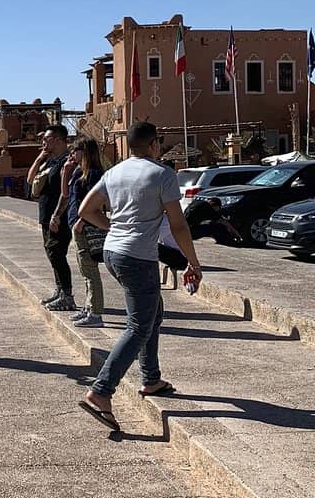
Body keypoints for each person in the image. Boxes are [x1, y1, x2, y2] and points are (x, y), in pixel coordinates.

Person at [77, 122, 202, 430]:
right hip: (137, 258)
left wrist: (116, 230)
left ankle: (151, 378)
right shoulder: (162, 174)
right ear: (154, 145)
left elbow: (85, 210)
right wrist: (193, 262)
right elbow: (179, 225)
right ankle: (101, 391)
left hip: (112, 252)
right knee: (138, 326)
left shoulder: (115, 172)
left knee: (153, 314)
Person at [27, 126, 75, 311]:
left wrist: (57, 215)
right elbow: (31, 180)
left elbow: (66, 193)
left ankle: (67, 295)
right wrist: (40, 158)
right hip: (46, 215)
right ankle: (60, 290)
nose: (43, 143)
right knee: (51, 254)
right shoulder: (49, 161)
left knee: (57, 253)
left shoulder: (68, 162)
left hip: (59, 216)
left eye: (46, 139)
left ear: (58, 139)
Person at [60, 139, 106, 327]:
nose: (72, 154)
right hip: (77, 226)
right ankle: (88, 308)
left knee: (90, 270)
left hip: (86, 227)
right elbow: (66, 195)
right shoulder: (79, 172)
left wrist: (82, 220)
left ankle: (95, 313)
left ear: (85, 152)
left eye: (75, 150)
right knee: (84, 269)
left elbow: (96, 202)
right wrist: (65, 174)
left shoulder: (94, 173)